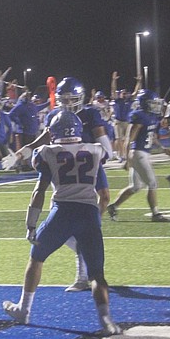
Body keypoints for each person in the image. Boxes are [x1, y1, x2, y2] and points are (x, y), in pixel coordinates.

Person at [2, 110, 122, 336]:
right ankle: (106, 320)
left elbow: (39, 191)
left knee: (36, 258)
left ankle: (24, 309)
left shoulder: (47, 152)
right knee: (97, 273)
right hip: (88, 213)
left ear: (53, 132)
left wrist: (30, 224)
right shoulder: (95, 151)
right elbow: (104, 189)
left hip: (62, 213)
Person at [13, 77, 113, 292]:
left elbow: (100, 135)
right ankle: (82, 250)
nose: (67, 103)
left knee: (104, 197)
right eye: (64, 99)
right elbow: (46, 136)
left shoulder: (90, 113)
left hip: (88, 161)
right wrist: (27, 149)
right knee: (61, 209)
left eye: (72, 99)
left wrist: (106, 148)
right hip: (64, 164)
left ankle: (88, 232)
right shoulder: (53, 115)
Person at [107, 90, 170, 222]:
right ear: (145, 103)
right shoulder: (139, 116)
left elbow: (151, 136)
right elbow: (129, 138)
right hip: (138, 153)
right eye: (152, 103)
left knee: (136, 186)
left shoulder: (151, 116)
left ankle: (113, 206)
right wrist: (127, 158)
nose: (155, 105)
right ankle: (156, 214)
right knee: (152, 183)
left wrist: (162, 148)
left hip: (143, 153)